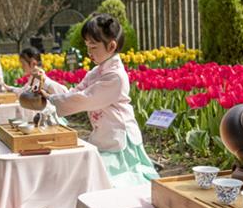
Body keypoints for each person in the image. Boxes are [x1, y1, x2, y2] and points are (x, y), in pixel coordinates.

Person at [34, 13, 159, 188]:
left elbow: (84, 99)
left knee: (114, 182)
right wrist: (47, 83)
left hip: (119, 138)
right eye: (87, 47)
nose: (89, 52)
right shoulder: (96, 72)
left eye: (93, 47)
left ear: (112, 46)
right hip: (104, 134)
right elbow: (74, 93)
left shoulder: (115, 77)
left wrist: (51, 100)